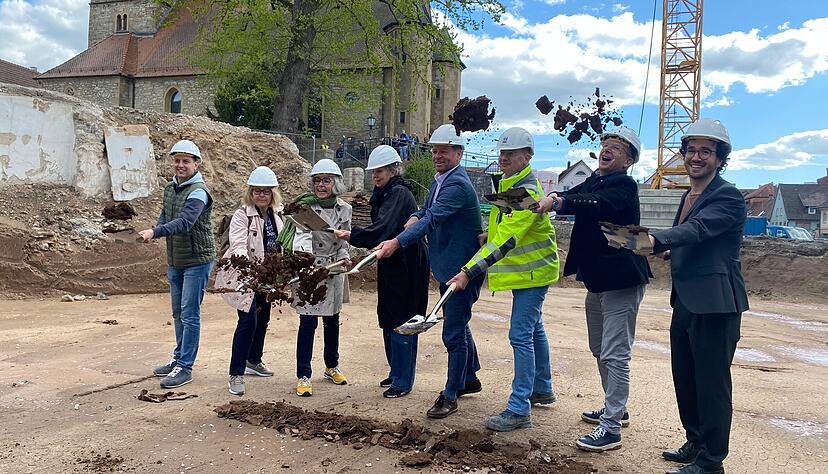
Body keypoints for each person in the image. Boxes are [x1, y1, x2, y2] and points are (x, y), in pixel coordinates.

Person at [607, 119, 747, 474]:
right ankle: (695, 442)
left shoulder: (727, 195)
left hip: (716, 302)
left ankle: (712, 461)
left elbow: (699, 229)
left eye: (706, 151)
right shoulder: (688, 194)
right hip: (686, 299)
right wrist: (662, 250)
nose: (696, 157)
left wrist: (655, 240)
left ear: (719, 158)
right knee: (685, 375)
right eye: (691, 150)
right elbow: (691, 240)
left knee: (712, 382)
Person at [535, 127, 652, 451]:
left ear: (628, 160)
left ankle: (611, 428)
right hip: (599, 280)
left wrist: (559, 200)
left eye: (616, 148)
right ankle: (617, 407)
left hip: (622, 280)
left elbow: (592, 203)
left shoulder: (623, 186)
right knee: (600, 348)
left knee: (616, 353)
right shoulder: (597, 180)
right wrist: (550, 199)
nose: (607, 149)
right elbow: (574, 197)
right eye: (605, 145)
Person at [447, 127, 560, 432]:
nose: (504, 158)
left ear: (528, 155)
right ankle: (542, 388)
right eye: (502, 153)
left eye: (511, 153)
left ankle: (520, 408)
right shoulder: (511, 185)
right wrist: (488, 235)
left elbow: (508, 240)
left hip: (533, 272)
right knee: (534, 329)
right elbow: (503, 230)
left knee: (520, 334)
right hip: (528, 271)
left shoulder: (529, 193)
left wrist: (468, 271)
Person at [375, 124, 484, 419]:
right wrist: (413, 216)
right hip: (446, 266)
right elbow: (425, 211)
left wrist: (397, 242)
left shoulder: (458, 184)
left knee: (453, 332)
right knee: (458, 323)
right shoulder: (440, 181)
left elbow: (433, 218)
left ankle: (450, 395)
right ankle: (469, 378)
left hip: (462, 270)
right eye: (434, 150)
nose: (437, 155)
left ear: (458, 153)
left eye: (444, 151)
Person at [334, 145, 429, 398]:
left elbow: (383, 228)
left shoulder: (398, 193)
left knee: (404, 319)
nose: (376, 176)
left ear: (393, 169)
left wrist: (352, 235)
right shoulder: (385, 193)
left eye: (381, 171)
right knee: (389, 316)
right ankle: (396, 370)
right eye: (374, 171)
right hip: (392, 259)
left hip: (408, 262)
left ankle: (403, 380)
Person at [139, 139, 215, 389]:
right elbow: (166, 215)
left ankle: (185, 367)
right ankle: (178, 357)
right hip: (176, 259)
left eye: (186, 161)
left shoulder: (199, 192)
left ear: (196, 164)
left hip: (197, 260)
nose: (180, 165)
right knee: (178, 313)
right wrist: (156, 229)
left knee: (190, 314)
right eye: (177, 160)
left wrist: (155, 232)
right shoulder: (170, 189)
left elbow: (184, 222)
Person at [214, 166, 288, 396]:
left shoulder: (278, 214)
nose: (261, 195)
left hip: (269, 276)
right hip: (247, 275)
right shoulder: (241, 215)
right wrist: (248, 271)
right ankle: (236, 373)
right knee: (247, 322)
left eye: (266, 191)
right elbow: (238, 245)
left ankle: (254, 360)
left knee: (263, 318)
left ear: (272, 193)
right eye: (257, 191)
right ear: (250, 192)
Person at [290, 159, 353, 397]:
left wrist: (344, 257)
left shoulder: (344, 209)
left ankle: (331, 366)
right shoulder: (304, 207)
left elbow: (344, 239)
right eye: (317, 180)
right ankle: (303, 374)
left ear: (335, 183)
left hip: (334, 269)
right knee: (307, 323)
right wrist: (306, 261)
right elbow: (302, 236)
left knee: (332, 321)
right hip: (310, 268)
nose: (321, 185)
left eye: (326, 180)